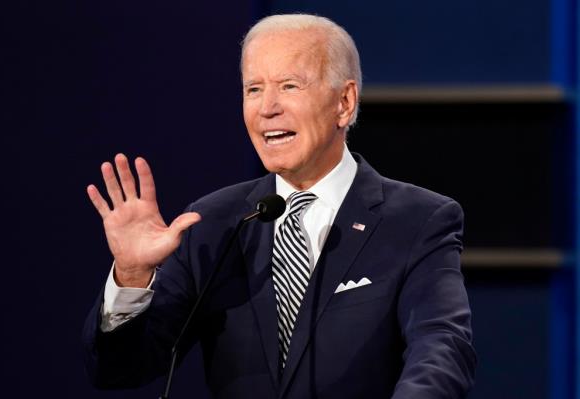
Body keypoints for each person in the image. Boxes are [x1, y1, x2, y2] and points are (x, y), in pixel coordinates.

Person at [83, 14, 476, 398]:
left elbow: (441, 349)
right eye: (253, 89)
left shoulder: (417, 220)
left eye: (289, 86)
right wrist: (132, 276)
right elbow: (121, 370)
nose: (267, 108)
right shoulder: (213, 222)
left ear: (344, 101)